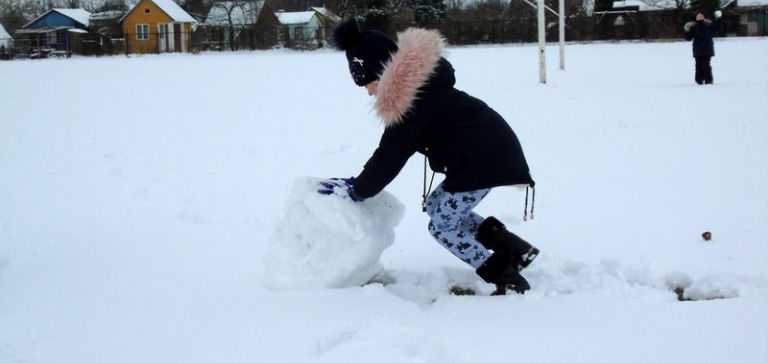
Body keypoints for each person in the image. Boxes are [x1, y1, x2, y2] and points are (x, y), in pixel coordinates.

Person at [318, 18, 539, 295]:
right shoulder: (422, 92)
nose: (369, 90)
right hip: (486, 158)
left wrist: (358, 190)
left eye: (370, 82)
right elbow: (391, 151)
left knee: (442, 227)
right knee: (437, 205)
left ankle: (506, 277)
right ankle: (516, 251)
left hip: (484, 162)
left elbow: (390, 155)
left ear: (385, 73)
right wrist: (359, 184)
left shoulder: (413, 100)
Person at [684, 10, 722, 85]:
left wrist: (686, 30)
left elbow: (688, 37)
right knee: (705, 66)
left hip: (700, 50)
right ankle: (705, 81)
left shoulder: (695, 27)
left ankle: (700, 81)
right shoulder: (708, 25)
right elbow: (718, 29)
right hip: (706, 49)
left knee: (700, 66)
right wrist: (719, 19)